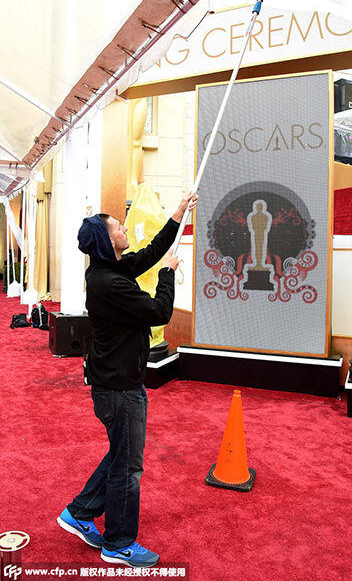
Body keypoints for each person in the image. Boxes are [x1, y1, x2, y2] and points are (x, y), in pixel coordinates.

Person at [57, 192, 197, 568]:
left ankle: (79, 512)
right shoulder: (110, 284)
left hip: (116, 385)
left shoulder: (110, 270)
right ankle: (118, 543)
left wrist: (178, 214)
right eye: (118, 227)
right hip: (120, 390)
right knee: (128, 466)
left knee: (121, 455)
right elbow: (159, 312)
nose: (124, 229)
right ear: (107, 241)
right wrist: (168, 274)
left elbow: (150, 253)